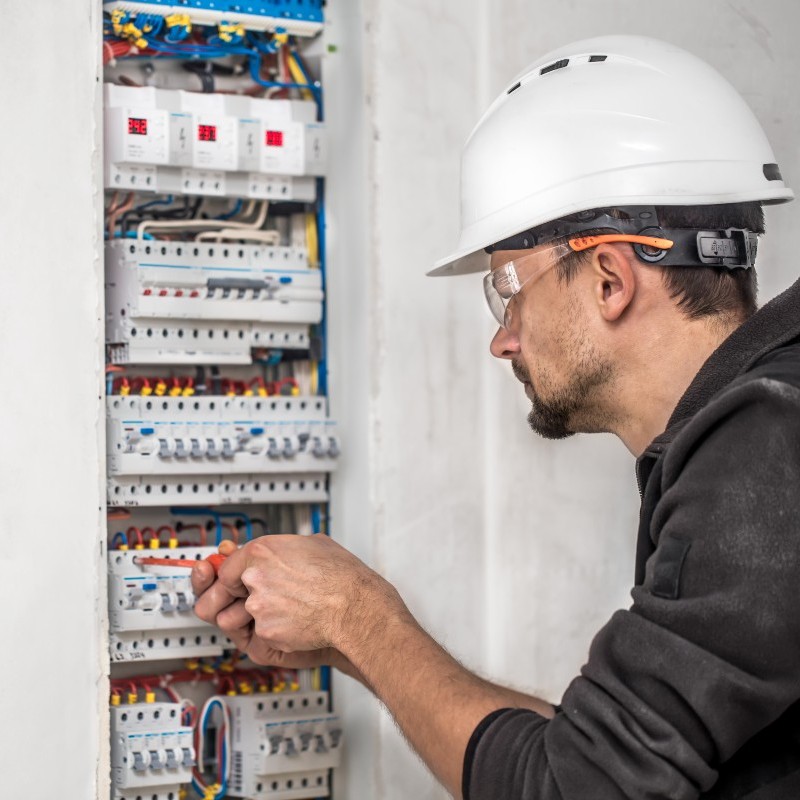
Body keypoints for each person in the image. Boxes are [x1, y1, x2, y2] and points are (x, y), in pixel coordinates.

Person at [191, 35, 800, 799]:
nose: (501, 337)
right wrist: (343, 639)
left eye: (507, 290)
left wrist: (363, 617)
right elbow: (608, 763)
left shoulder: (764, 455)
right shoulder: (757, 441)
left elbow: (578, 791)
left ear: (610, 276)